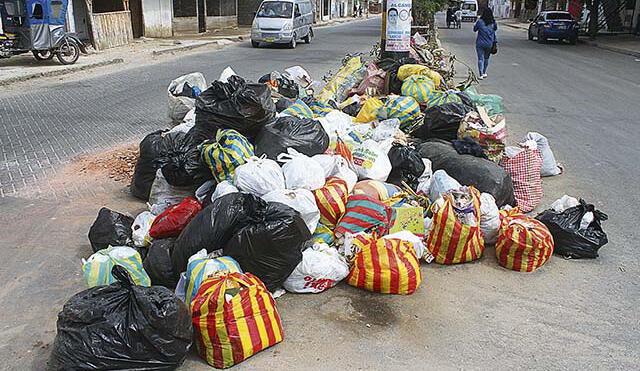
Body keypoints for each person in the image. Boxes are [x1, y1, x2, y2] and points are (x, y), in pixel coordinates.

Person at [473, 7, 497, 80]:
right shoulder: (493, 23)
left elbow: (474, 29)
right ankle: (484, 72)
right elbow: (495, 30)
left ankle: (480, 74)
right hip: (489, 43)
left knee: (480, 58)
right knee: (486, 58)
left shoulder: (480, 21)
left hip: (480, 43)